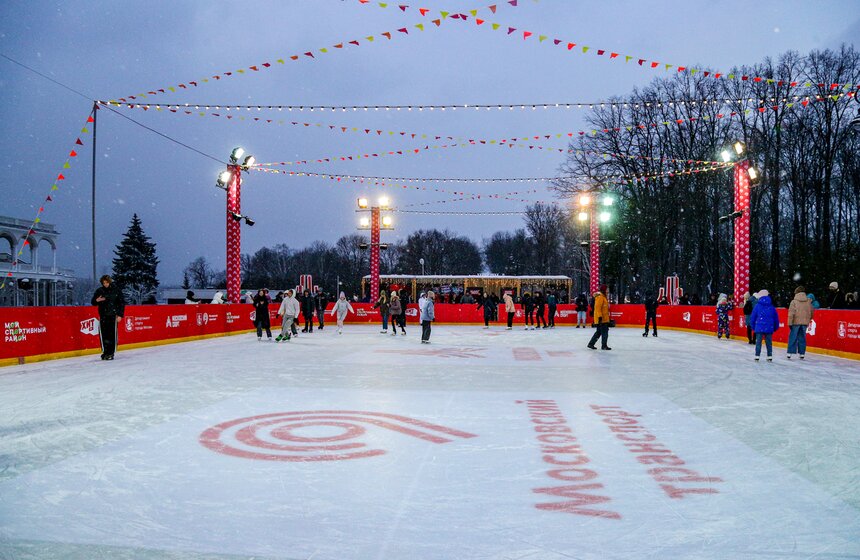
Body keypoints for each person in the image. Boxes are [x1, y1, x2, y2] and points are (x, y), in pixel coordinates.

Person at [91, 275, 126, 360]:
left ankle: (111, 353)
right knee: (104, 334)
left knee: (112, 334)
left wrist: (120, 315)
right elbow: (93, 302)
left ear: (109, 282)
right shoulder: (99, 291)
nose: (105, 284)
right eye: (103, 283)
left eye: (106, 282)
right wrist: (97, 300)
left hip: (113, 316)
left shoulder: (116, 290)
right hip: (103, 315)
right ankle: (105, 352)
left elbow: (121, 303)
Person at [750, 289, 780, 362]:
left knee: (758, 342)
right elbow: (776, 318)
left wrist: (753, 327)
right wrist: (775, 327)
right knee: (769, 342)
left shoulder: (757, 306)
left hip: (759, 327)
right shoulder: (771, 307)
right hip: (769, 327)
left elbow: (753, 317)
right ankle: (769, 356)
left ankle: (757, 355)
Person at [787, 286, 814, 360]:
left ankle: (790, 352)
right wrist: (809, 319)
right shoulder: (808, 301)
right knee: (802, 338)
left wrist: (789, 322)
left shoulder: (794, 302)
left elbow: (791, 313)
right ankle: (802, 353)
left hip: (795, 322)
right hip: (804, 322)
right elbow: (811, 311)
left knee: (793, 337)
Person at [587, 284, 611, 351]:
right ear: (604, 290)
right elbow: (597, 308)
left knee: (599, 332)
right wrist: (600, 317)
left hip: (603, 317)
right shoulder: (600, 297)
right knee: (605, 332)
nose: (608, 290)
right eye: (607, 289)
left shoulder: (603, 296)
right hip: (601, 318)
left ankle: (591, 344)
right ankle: (604, 345)